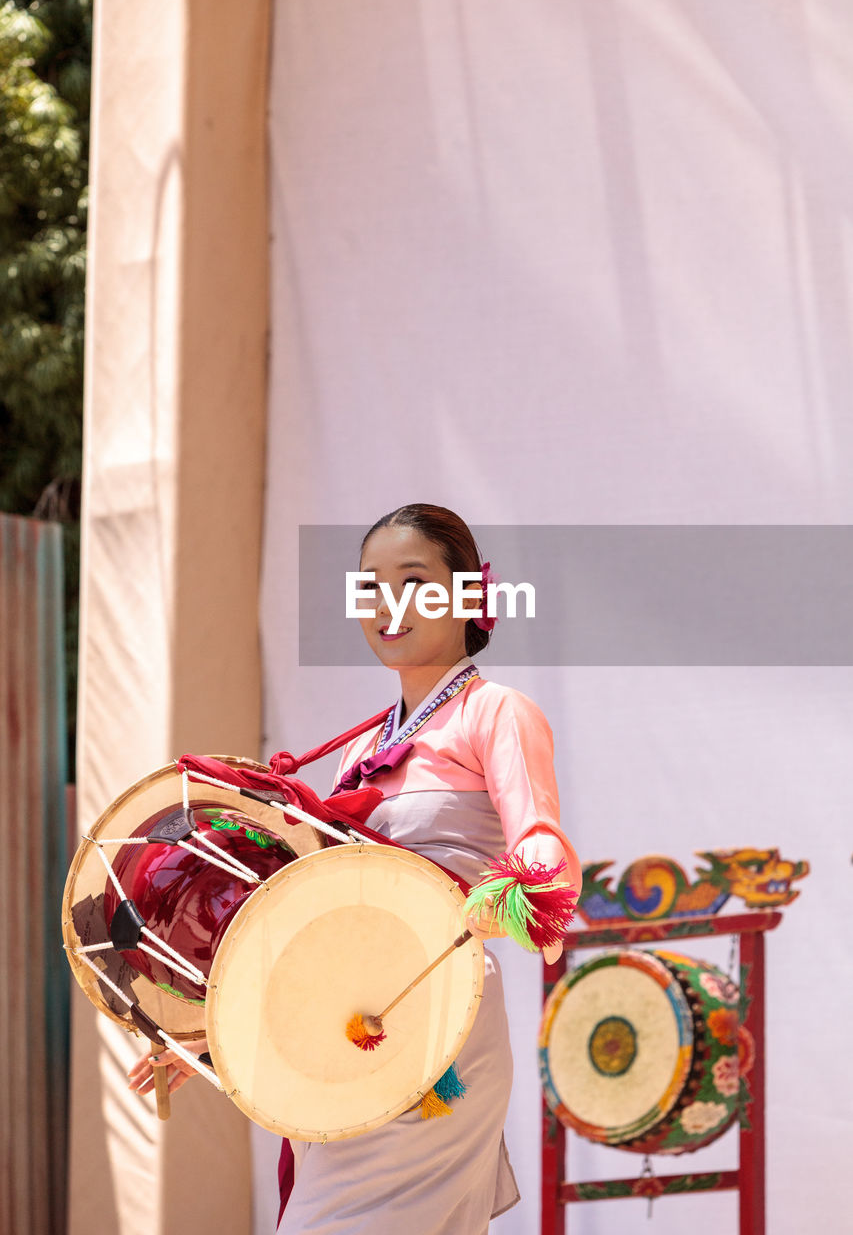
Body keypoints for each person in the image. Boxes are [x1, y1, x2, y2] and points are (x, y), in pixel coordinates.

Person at [128, 502, 582, 1234]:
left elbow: (543, 850)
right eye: (369, 587)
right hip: (345, 1023)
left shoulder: (496, 712)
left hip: (436, 1020)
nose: (386, 606)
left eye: (412, 581)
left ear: (467, 595)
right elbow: (322, 916)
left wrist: (514, 892)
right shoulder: (359, 749)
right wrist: (216, 1029)